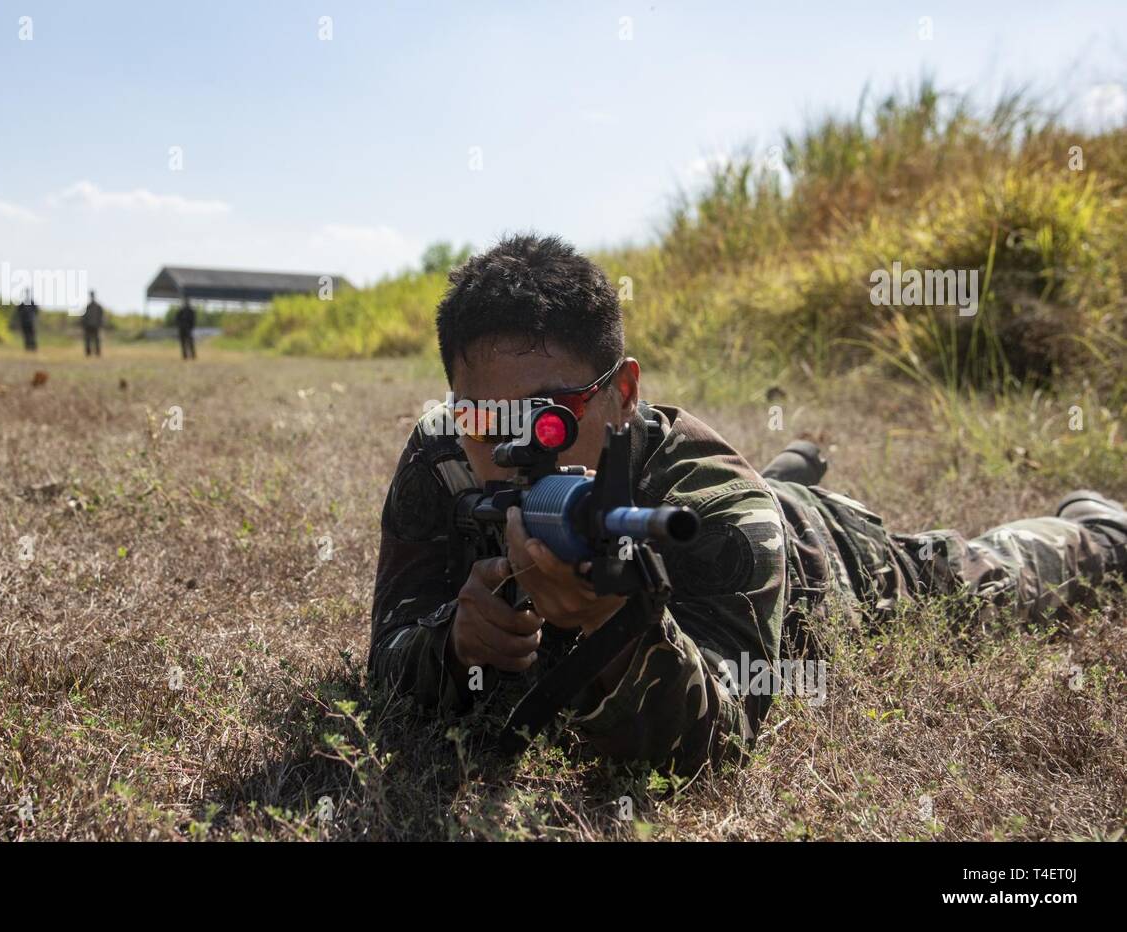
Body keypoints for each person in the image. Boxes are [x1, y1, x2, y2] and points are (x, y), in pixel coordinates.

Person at [368, 234, 1127, 777]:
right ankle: (794, 466)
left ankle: (1095, 527)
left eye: (552, 413)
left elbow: (717, 739)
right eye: (482, 418)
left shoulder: (716, 505)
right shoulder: (441, 457)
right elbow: (388, 659)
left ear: (622, 392)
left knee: (980, 576)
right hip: (742, 507)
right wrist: (454, 644)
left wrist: (613, 628)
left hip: (825, 556)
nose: (511, 446)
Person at [82, 290, 104, 357]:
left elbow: (101, 316)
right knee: (88, 340)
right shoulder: (88, 307)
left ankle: (97, 353)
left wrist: (100, 324)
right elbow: (84, 316)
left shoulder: (97, 307)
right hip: (88, 326)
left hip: (95, 326)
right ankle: (88, 353)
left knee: (96, 340)